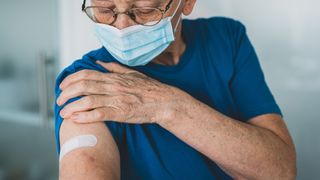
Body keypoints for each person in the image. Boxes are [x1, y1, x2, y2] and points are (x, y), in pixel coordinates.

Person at [54, 0, 297, 179]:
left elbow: (280, 171)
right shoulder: (89, 83)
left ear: (187, 3)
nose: (122, 27)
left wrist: (167, 106)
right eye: (106, 10)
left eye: (145, 10)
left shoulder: (226, 38)